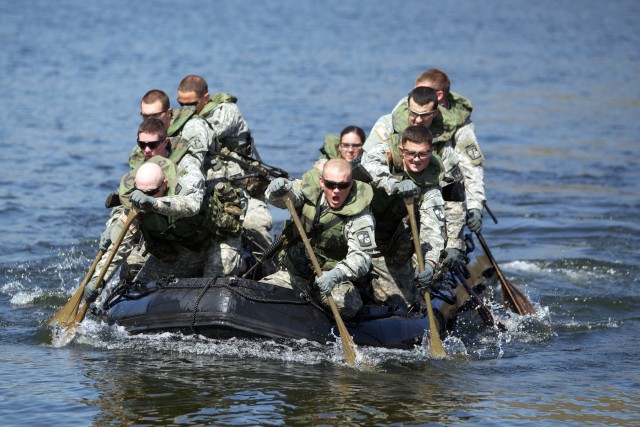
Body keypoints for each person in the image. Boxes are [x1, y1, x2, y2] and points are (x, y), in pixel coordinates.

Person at [83, 118, 243, 302]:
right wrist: (98, 280)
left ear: (165, 184)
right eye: (141, 145)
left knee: (211, 294)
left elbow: (192, 205)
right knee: (139, 293)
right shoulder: (139, 191)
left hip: (214, 240)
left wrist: (155, 203)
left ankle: (242, 264)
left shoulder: (186, 169)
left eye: (152, 192)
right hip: (183, 248)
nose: (146, 150)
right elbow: (121, 243)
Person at [363, 85, 471, 270]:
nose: (418, 120)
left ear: (435, 112)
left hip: (421, 215)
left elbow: (453, 197)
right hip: (380, 208)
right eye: (414, 114)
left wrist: (454, 243)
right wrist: (392, 183)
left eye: (425, 115)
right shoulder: (389, 127)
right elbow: (367, 164)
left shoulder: (445, 148)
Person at [260, 158, 376, 319]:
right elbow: (283, 198)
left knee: (346, 305)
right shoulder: (307, 192)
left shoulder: (360, 217)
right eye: (331, 185)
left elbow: (362, 258)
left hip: (332, 279)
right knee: (261, 294)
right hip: (295, 275)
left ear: (351, 184)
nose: (336, 191)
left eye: (342, 186)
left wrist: (336, 274)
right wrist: (274, 191)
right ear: (322, 182)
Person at [176, 75, 273, 251]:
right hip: (209, 193)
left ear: (206, 98)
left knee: (255, 226)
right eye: (181, 104)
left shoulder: (227, 112)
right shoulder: (183, 122)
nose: (186, 110)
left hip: (243, 192)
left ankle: (271, 268)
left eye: (191, 104)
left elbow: (202, 133)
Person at [361, 125, 451, 308]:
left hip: (388, 245)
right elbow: (368, 165)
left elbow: (432, 231)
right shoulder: (386, 153)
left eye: (423, 154)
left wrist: (430, 264)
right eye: (411, 153)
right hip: (359, 230)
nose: (416, 159)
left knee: (404, 304)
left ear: (431, 151)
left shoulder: (431, 188)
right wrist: (393, 184)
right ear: (402, 151)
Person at [388, 69, 486, 235]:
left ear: (438, 96)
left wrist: (475, 206)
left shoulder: (459, 124)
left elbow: (472, 168)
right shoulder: (404, 109)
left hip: (447, 183)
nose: (418, 95)